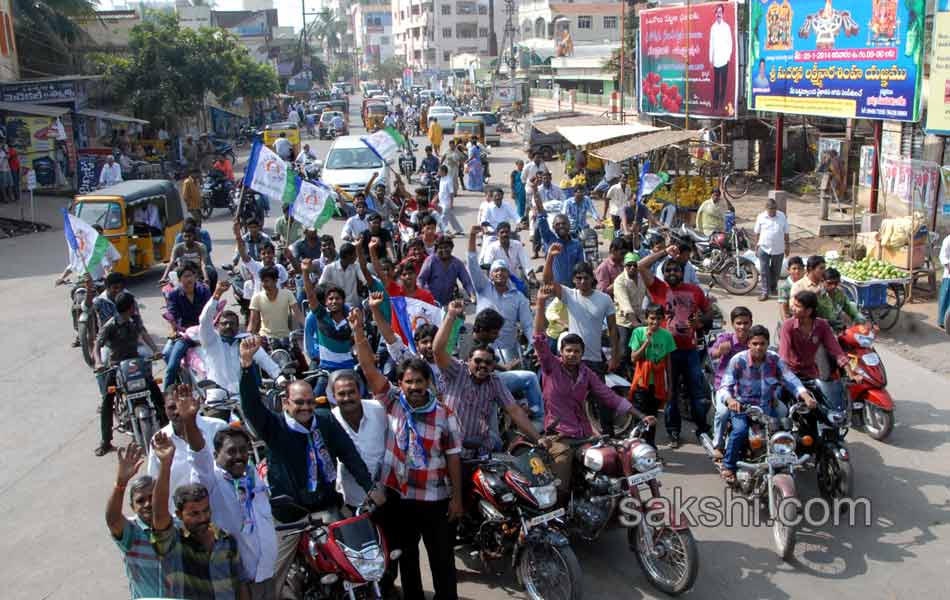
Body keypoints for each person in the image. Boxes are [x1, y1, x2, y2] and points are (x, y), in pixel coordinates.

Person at [238, 336, 384, 598]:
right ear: (286, 403)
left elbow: (349, 455)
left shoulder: (325, 421)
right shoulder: (274, 427)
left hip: (328, 508)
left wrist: (370, 487)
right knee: (272, 577)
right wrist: (247, 368)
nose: (306, 408)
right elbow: (250, 406)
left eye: (309, 402)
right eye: (299, 403)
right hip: (290, 517)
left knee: (358, 560)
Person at [351, 307, 463, 600]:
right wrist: (359, 332)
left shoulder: (444, 413)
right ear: (400, 384)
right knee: (409, 560)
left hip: (435, 499)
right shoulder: (393, 402)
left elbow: (453, 456)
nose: (414, 387)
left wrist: (457, 498)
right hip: (400, 499)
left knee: (442, 560)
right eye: (408, 382)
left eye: (419, 382)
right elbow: (368, 369)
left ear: (428, 383)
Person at [532, 285, 652, 496]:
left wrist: (640, 415)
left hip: (585, 434)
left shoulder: (586, 373)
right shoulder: (551, 367)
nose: (572, 355)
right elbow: (538, 339)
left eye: (576, 351)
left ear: (582, 353)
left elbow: (609, 396)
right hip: (560, 438)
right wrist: (541, 304)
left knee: (612, 466)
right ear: (561, 352)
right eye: (568, 351)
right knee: (560, 485)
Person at [177, 392, 278, 599]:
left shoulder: (252, 476)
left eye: (243, 450)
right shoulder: (211, 479)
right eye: (231, 451)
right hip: (237, 583)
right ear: (216, 455)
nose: (239, 456)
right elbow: (198, 454)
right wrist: (189, 421)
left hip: (268, 575)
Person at [148, 432, 250, 599]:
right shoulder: (174, 543)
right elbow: (159, 516)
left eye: (205, 511)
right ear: (179, 514)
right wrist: (166, 465)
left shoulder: (226, 541)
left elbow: (240, 583)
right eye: (194, 514)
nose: (202, 518)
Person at [434, 300, 542, 455]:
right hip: (452, 447)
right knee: (530, 377)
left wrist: (538, 438)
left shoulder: (493, 381)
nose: (483, 366)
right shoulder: (458, 371)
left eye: (488, 363)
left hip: (480, 446)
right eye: (478, 361)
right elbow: (438, 350)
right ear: (469, 361)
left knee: (496, 443)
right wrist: (451, 315)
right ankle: (539, 419)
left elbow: (514, 410)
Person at [638, 245, 715, 448]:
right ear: (663, 274)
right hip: (667, 353)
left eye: (676, 269)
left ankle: (702, 429)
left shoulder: (695, 290)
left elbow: (710, 313)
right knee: (670, 394)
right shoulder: (659, 289)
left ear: (683, 271)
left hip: (690, 351)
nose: (672, 273)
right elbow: (641, 265)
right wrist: (665, 252)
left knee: (696, 393)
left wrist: (700, 323)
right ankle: (673, 432)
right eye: (668, 270)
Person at [718, 326, 814, 484]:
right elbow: (725, 386)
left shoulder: (774, 359)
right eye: (755, 343)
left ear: (768, 344)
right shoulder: (738, 360)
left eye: (762, 343)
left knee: (786, 431)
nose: (758, 347)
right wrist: (730, 400)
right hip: (744, 408)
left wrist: (805, 395)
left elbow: (790, 379)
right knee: (740, 432)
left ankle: (784, 463)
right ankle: (728, 466)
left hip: (767, 409)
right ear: (748, 343)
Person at [93, 292, 164, 457]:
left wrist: (155, 350)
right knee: (107, 401)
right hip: (116, 365)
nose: (136, 308)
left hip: (135, 362)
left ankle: (166, 424)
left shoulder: (135, 320)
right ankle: (105, 441)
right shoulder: (110, 325)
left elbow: (144, 334)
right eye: (134, 305)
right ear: (130, 307)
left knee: (155, 391)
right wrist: (98, 362)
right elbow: (97, 344)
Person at [146, 388, 229, 513]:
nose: (178, 411)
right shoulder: (160, 440)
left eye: (183, 405)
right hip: (183, 519)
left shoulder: (218, 428)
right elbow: (154, 481)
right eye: (172, 407)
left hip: (222, 510)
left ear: (196, 403)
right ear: (164, 409)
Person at [198, 281, 282, 405]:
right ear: (217, 326)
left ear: (238, 327)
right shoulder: (210, 341)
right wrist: (217, 294)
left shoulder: (246, 342)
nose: (228, 326)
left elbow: (264, 360)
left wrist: (279, 377)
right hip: (218, 401)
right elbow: (204, 320)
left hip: (245, 397)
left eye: (232, 324)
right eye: (224, 323)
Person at [779, 290, 861, 412]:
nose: (792, 308)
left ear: (808, 311)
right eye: (793, 305)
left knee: (825, 407)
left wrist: (850, 373)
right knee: (787, 410)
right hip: (791, 373)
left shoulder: (822, 325)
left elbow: (836, 350)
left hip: (811, 372)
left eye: (797, 306)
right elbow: (784, 356)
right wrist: (784, 376)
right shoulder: (788, 326)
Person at [106, 443, 164, 599]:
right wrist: (120, 484)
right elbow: (112, 521)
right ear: (132, 507)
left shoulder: (178, 526)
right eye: (140, 501)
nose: (148, 504)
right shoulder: (132, 533)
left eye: (152, 497)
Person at [467, 226, 533, 361]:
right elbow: (473, 264)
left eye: (503, 270)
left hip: (509, 351)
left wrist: (535, 345)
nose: (499, 273)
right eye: (496, 271)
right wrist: (472, 237)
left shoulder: (518, 297)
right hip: (482, 350)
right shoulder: (483, 288)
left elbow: (527, 324)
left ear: (508, 274)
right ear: (490, 275)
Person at [328, 370, 388, 509]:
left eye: (351, 392)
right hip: (353, 498)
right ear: (333, 396)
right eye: (341, 394)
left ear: (360, 392)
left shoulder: (379, 409)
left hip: (386, 493)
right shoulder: (330, 421)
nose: (347, 398)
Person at [301, 266, 355, 395]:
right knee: (314, 401)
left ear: (343, 301)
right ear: (325, 303)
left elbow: (358, 342)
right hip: (326, 371)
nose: (334, 301)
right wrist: (305, 272)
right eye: (330, 299)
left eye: (337, 298)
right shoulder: (321, 316)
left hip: (348, 370)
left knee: (363, 397)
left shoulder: (352, 319)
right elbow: (310, 295)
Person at [707, 306, 752, 459]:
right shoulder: (725, 338)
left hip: (748, 387)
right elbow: (711, 354)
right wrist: (719, 351)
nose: (742, 327)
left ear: (751, 323)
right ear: (733, 324)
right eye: (739, 323)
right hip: (725, 386)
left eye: (746, 323)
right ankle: (718, 445)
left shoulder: (754, 341)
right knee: (723, 412)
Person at [628, 304, 676, 448]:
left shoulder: (666, 335)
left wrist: (670, 387)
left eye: (658, 319)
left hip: (658, 384)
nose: (655, 323)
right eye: (652, 319)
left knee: (653, 416)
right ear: (646, 318)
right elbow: (634, 358)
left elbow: (668, 363)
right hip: (641, 382)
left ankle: (650, 448)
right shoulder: (638, 332)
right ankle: (635, 448)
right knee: (639, 417)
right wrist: (646, 342)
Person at [163, 262, 212, 389]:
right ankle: (168, 395)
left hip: (204, 333)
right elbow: (172, 315)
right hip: (185, 336)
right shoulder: (173, 295)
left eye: (191, 275)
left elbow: (211, 309)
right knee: (169, 359)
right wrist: (176, 328)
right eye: (185, 276)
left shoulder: (204, 291)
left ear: (195, 277)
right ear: (179, 280)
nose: (189, 279)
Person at [533, 192, 585, 288]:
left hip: (573, 290)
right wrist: (535, 190)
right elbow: (541, 216)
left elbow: (580, 268)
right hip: (555, 289)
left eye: (564, 223)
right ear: (553, 227)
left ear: (569, 225)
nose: (561, 226)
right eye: (557, 224)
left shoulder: (577, 245)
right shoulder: (550, 240)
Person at [418, 236, 476, 306]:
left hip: (448, 302)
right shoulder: (431, 260)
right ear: (436, 249)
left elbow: (467, 282)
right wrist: (421, 296)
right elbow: (421, 279)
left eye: (446, 247)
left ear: (451, 248)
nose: (444, 250)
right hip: (430, 301)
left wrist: (472, 295)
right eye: (440, 248)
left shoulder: (457, 263)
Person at [613, 252, 646, 372]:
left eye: (635, 265)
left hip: (640, 319)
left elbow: (652, 296)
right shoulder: (619, 281)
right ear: (624, 266)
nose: (632, 267)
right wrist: (636, 324)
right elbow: (625, 305)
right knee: (624, 353)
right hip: (624, 321)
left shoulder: (642, 278)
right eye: (629, 265)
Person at [249, 266, 302, 340]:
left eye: (267, 281)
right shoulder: (256, 298)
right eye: (262, 281)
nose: (264, 284)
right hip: (265, 339)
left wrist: (309, 328)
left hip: (285, 338)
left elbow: (298, 315)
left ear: (275, 281)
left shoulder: (288, 294)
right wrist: (250, 336)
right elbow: (253, 322)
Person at [754, 197, 790, 301]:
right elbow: (757, 232)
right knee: (764, 271)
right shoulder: (761, 217)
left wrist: (787, 246)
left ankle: (773, 287)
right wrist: (756, 246)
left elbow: (786, 232)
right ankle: (765, 292)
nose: (773, 211)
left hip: (778, 249)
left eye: (774, 208)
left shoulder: (782, 216)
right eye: (771, 209)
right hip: (764, 248)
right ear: (766, 209)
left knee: (776, 271)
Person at [162, 225, 214, 289]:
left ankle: (211, 294)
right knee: (168, 288)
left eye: (189, 236)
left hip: (198, 272)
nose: (187, 238)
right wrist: (164, 277)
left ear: (194, 236)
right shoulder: (178, 247)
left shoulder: (201, 247)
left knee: (212, 272)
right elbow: (171, 262)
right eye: (185, 236)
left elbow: (203, 264)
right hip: (182, 273)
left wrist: (206, 278)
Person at [318, 242, 365, 307]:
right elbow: (321, 286)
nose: (356, 256)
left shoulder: (356, 266)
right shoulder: (329, 268)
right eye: (355, 254)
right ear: (348, 256)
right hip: (336, 305)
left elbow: (365, 280)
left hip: (354, 305)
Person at [821, 268, 865, 332]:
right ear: (822, 281)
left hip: (838, 327)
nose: (833, 286)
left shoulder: (839, 293)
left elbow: (848, 307)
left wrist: (860, 318)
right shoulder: (818, 295)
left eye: (836, 283)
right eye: (830, 283)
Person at [708, 2, 733, 112]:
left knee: (723, 84)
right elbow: (711, 44)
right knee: (716, 85)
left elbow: (730, 42)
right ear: (715, 14)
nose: (718, 14)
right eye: (717, 12)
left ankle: (722, 105)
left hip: (724, 59)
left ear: (723, 13)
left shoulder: (726, 27)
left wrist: (728, 56)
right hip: (716, 59)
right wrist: (710, 58)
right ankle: (715, 106)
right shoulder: (713, 28)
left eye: (720, 12)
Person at [438, 164, 465, 236]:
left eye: (439, 171)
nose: (438, 172)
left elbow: (451, 192)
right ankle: (459, 229)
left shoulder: (449, 180)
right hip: (441, 202)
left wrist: (451, 203)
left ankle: (441, 232)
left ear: (443, 171)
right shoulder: (441, 178)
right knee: (451, 217)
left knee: (443, 217)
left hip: (447, 203)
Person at [778, 256, 805, 322]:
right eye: (794, 268)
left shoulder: (806, 282)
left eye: (799, 268)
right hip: (792, 319)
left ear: (803, 269)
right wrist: (786, 322)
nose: (797, 271)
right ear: (788, 270)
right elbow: (783, 306)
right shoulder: (785, 286)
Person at [939, 232, 950, 329]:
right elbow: (942, 256)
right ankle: (942, 321)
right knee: (945, 298)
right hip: (949, 275)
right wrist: (948, 265)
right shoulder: (948, 240)